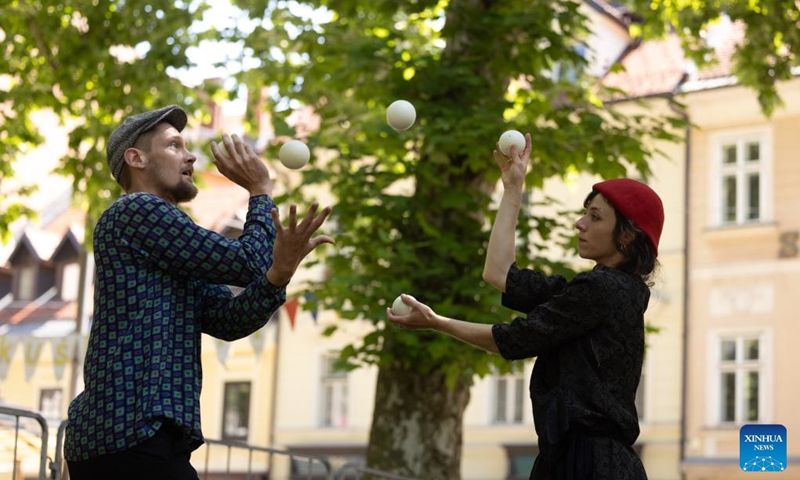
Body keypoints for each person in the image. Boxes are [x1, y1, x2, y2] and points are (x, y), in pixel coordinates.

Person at [64, 105, 333, 479]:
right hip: (128, 434)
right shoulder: (136, 210)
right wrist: (259, 189)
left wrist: (279, 273)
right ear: (136, 158)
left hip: (142, 438)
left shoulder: (171, 239)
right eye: (174, 145)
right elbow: (245, 262)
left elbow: (228, 319)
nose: (191, 155)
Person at [387, 133, 663, 480]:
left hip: (587, 464)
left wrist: (436, 322)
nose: (580, 223)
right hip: (582, 458)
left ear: (626, 236)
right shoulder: (596, 292)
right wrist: (513, 188)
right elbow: (498, 272)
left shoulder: (601, 289)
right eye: (585, 213)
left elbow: (512, 340)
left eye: (595, 217)